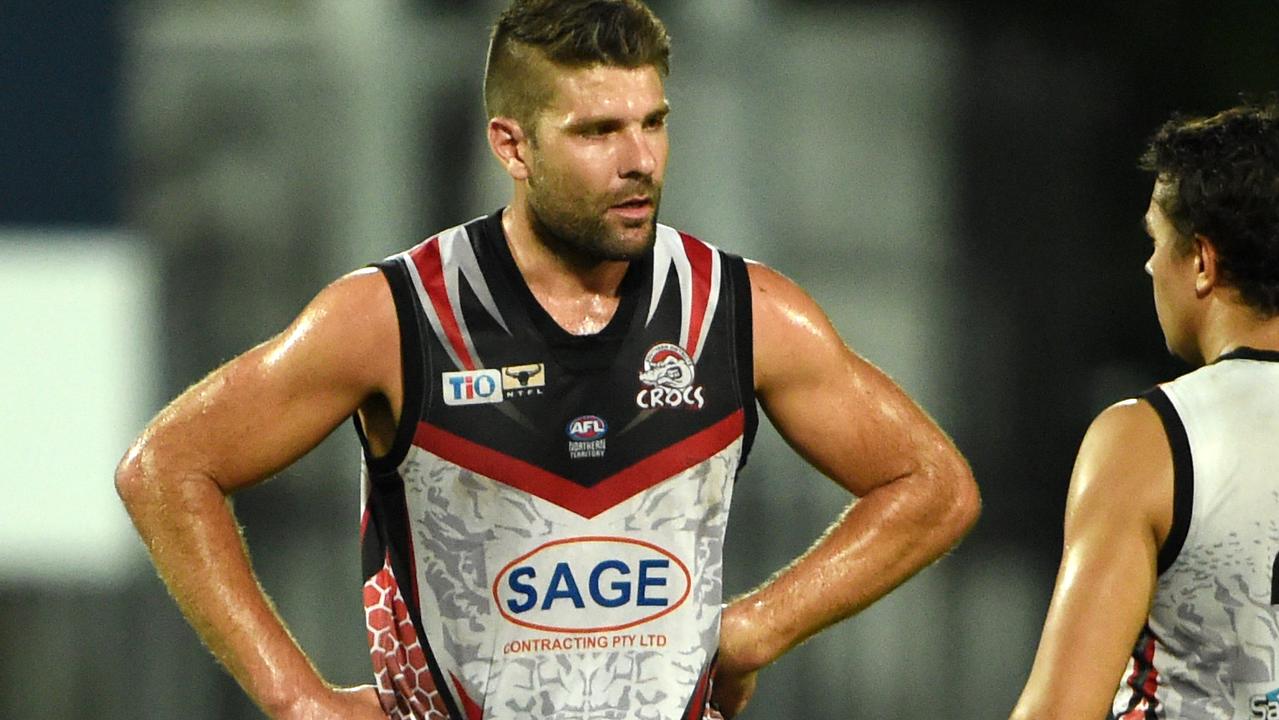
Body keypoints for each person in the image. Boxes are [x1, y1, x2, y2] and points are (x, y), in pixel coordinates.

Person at [114, 1, 980, 718]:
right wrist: (296, 701)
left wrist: (759, 626)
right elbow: (167, 467)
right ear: (512, 146)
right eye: (597, 130)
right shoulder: (394, 316)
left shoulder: (744, 311)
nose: (638, 159)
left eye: (652, 123)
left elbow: (931, 486)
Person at [1011, 98, 1279, 720]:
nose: (1150, 264)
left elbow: (1060, 710)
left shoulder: (1148, 439)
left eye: (1157, 240)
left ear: (1204, 263)